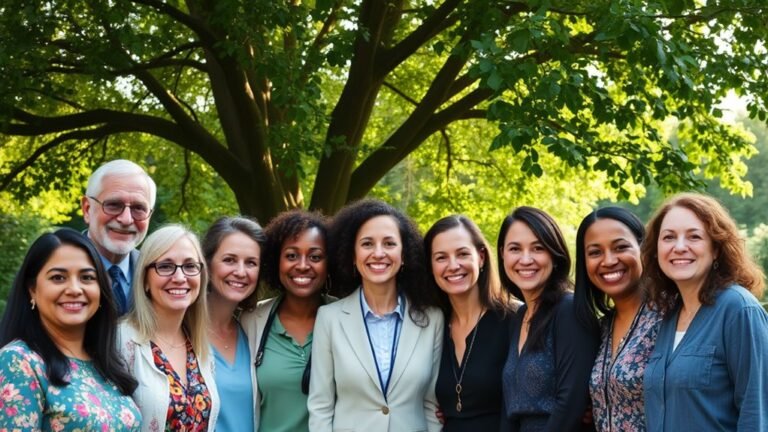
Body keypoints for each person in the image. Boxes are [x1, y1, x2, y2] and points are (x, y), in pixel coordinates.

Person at [308, 199, 443, 432]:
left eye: (389, 243)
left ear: (404, 254)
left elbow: (431, 406)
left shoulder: (432, 319)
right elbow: (321, 406)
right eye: (367, 244)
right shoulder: (329, 319)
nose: (378, 253)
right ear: (352, 255)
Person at [641, 193, 768, 431]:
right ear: (656, 249)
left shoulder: (739, 309)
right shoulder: (668, 315)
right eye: (668, 237)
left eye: (694, 236)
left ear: (716, 248)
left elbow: (757, 412)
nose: (679, 247)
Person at [0, 228, 141, 430]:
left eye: (87, 277)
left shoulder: (107, 363)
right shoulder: (19, 361)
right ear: (32, 290)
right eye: (58, 277)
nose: (74, 289)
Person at [498, 206, 598, 432]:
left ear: (555, 255)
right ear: (503, 254)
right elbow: (510, 409)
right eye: (515, 249)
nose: (526, 259)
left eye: (538, 248)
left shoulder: (569, 311)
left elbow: (570, 406)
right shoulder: (519, 316)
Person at [118, 225, 219, 431]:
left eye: (190, 266)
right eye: (165, 266)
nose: (180, 277)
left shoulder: (202, 348)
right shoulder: (121, 340)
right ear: (145, 279)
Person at [241, 210, 333, 432]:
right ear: (276, 261)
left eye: (315, 257)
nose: (302, 265)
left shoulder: (348, 318)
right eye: (291, 256)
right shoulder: (251, 321)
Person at [573, 207, 661, 432]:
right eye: (595, 252)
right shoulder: (600, 327)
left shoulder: (671, 316)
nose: (609, 260)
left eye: (621, 247)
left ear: (644, 249)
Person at [424, 215, 515, 431]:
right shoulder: (431, 326)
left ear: (481, 257)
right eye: (441, 257)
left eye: (462, 254)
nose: (453, 265)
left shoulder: (514, 318)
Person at [202, 216, 265, 432]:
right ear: (207, 264)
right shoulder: (181, 331)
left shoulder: (253, 331)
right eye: (229, 260)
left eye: (251, 263)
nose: (240, 271)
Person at [81, 159, 157, 314]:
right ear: (87, 209)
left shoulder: (157, 274)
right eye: (114, 205)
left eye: (139, 208)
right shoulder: (55, 269)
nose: (126, 219)